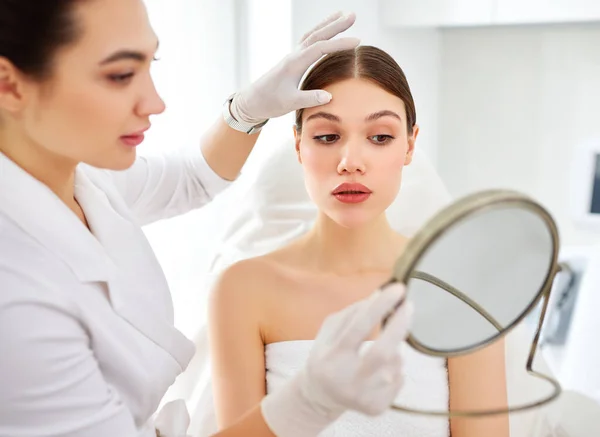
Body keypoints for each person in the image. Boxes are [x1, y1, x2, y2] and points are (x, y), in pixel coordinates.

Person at [0, 1, 415, 436]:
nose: (156, 103)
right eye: (121, 74)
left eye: (150, 63)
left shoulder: (83, 177)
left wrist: (246, 111)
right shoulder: (17, 295)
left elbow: (191, 178)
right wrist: (308, 403)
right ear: (10, 85)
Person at [208, 46, 510, 436]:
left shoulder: (461, 287)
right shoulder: (243, 290)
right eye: (328, 135)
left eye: (380, 136)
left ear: (410, 145)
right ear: (299, 145)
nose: (350, 160)